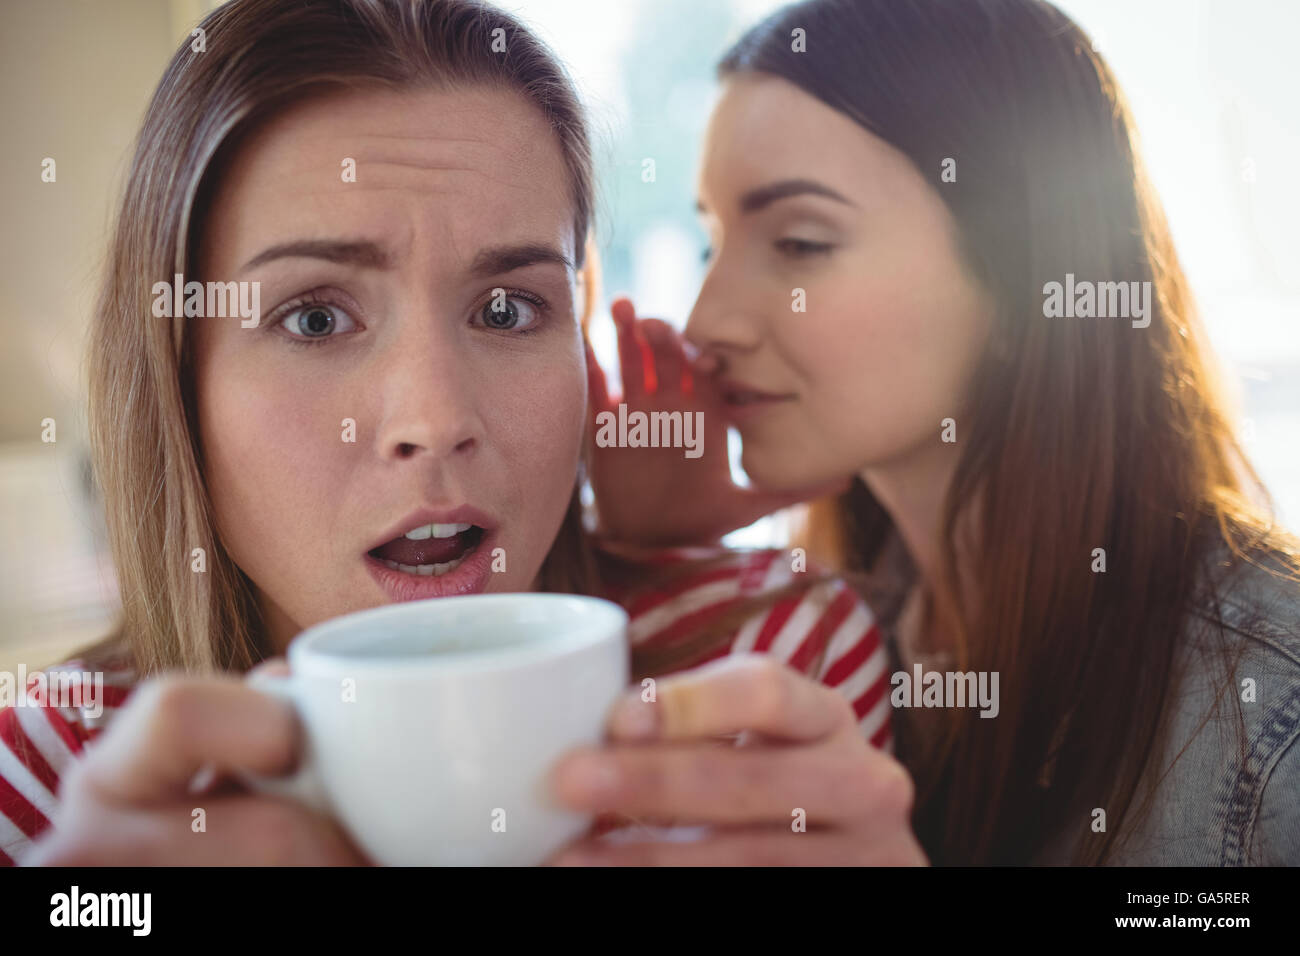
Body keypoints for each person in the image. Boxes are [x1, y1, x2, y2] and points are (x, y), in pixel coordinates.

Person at [0, 0, 913, 867]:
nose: (436, 422)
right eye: (315, 319)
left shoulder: (774, 673)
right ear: (174, 379)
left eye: (509, 309)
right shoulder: (49, 775)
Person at [587, 0, 1300, 865]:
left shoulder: (1270, 705)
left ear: (1025, 280)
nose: (706, 321)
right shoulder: (824, 625)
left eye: (801, 243)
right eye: (713, 245)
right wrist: (655, 549)